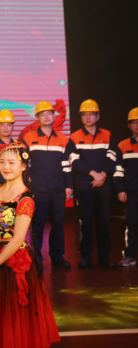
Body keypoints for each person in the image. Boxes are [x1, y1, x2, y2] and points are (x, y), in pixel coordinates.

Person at [0, 142, 60, 348]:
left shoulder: (25, 198)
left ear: (23, 166)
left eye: (11, 162)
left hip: (13, 260)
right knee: (2, 311)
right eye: (2, 162)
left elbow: (16, 240)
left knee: (14, 314)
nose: (5, 166)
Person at [22, 101, 76, 270]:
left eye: (49, 113)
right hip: (37, 190)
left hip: (57, 190)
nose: (46, 117)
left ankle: (58, 257)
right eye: (42, 114)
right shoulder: (28, 138)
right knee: (37, 226)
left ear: (54, 116)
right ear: (37, 117)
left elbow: (66, 165)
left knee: (58, 225)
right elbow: (23, 165)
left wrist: (68, 186)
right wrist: (27, 186)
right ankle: (36, 258)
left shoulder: (63, 139)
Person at [70, 99, 117, 268]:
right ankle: (86, 257)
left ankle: (104, 257)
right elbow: (75, 162)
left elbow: (112, 157)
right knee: (86, 221)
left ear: (98, 116)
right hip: (84, 184)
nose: (88, 117)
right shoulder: (74, 137)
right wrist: (94, 174)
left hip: (103, 183)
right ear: (81, 117)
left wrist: (102, 175)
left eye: (91, 114)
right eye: (84, 114)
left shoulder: (107, 135)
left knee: (104, 221)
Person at [115, 107, 138, 266]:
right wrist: (120, 189)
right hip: (132, 193)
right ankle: (130, 255)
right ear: (129, 125)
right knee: (132, 224)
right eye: (134, 122)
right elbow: (118, 171)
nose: (137, 124)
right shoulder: (122, 146)